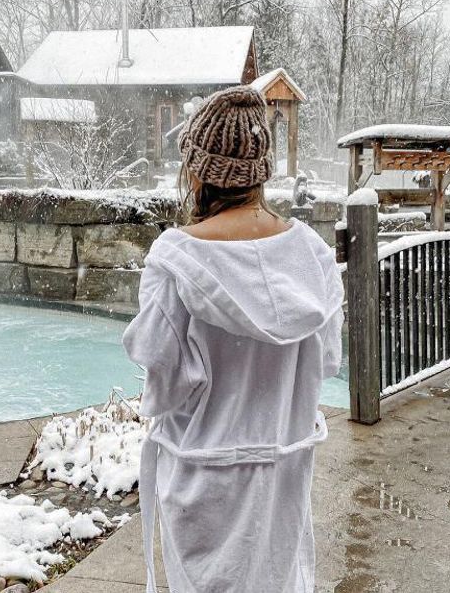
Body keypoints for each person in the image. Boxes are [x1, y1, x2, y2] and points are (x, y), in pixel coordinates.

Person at [122, 86, 343, 592]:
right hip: (284, 476)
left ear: (198, 170)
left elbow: (164, 388)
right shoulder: (310, 253)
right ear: (260, 170)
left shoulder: (175, 259)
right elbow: (326, 362)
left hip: (207, 486)